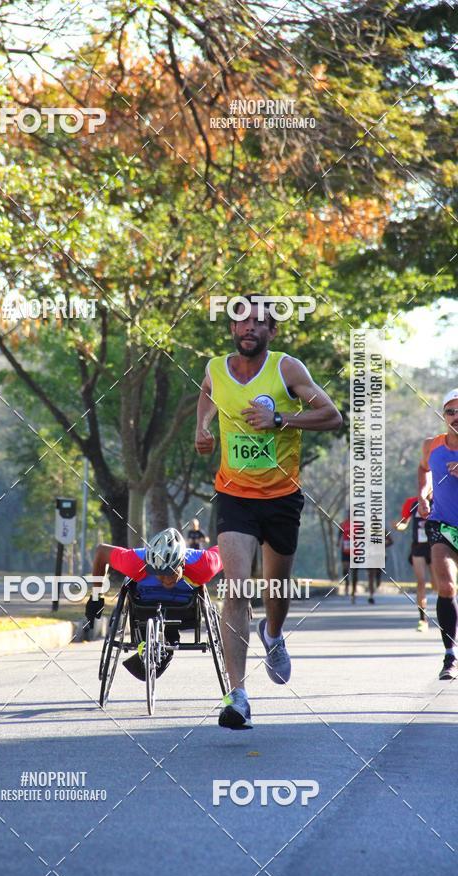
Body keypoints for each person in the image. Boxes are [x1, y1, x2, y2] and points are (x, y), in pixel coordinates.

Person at [195, 296, 342, 729]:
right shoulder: (215, 369)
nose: (249, 328)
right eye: (241, 322)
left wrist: (280, 420)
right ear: (231, 330)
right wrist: (202, 430)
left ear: (271, 332)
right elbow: (206, 395)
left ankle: (273, 636)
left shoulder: (287, 369)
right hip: (234, 494)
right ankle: (237, 695)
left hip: (281, 497)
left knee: (275, 591)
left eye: (259, 323)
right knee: (235, 591)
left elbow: (331, 416)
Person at [85, 527, 222, 679]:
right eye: (159, 574)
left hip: (183, 610)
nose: (166, 579)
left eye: (171, 573)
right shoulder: (135, 561)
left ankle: (164, 643)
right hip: (145, 608)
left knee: (161, 655)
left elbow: (230, 551)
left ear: (182, 563)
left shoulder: (204, 564)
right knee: (147, 664)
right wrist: (96, 598)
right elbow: (101, 552)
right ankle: (146, 645)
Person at [418, 389, 458, 680]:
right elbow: (423, 469)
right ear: (443, 415)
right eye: (451, 411)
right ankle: (450, 655)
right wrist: (422, 493)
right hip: (441, 523)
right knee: (446, 587)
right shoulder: (431, 445)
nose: (456, 417)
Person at [394, 495, 436, 631]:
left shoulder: (440, 499)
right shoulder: (412, 502)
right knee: (421, 581)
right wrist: (399, 526)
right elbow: (404, 523)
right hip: (418, 547)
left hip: (436, 546)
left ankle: (447, 613)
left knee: (438, 585)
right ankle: (423, 619)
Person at [339, 513, 358, 602]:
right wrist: (339, 542)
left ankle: (353, 590)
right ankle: (347, 584)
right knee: (345, 569)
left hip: (356, 551)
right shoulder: (343, 524)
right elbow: (339, 534)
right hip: (345, 550)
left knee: (354, 572)